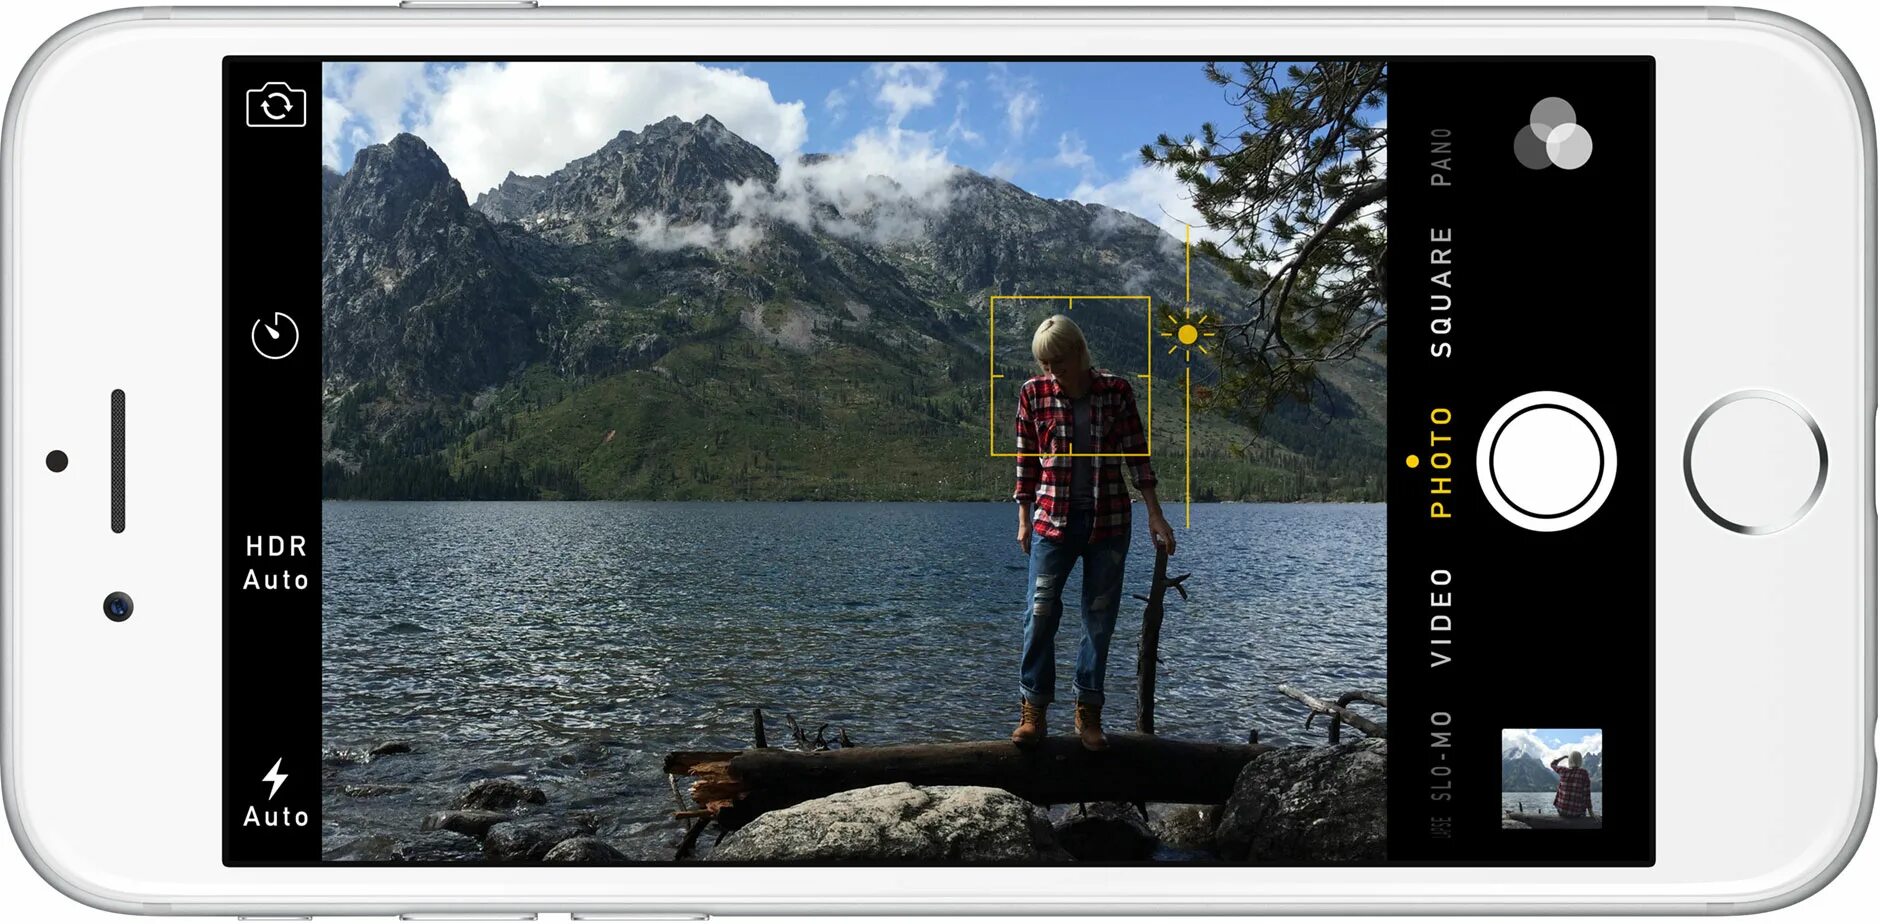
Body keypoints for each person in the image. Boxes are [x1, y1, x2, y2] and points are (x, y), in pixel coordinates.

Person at [1009, 314, 1175, 752]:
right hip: (1050, 523)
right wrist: (1024, 518)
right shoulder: (1033, 394)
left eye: (1059, 361)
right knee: (1039, 615)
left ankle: (1089, 712)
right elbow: (1026, 461)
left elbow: (1137, 457)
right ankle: (1034, 710)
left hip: (1110, 524)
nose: (1052, 371)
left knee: (1098, 622)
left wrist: (1156, 516)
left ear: (1080, 352)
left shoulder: (1116, 391)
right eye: (1045, 363)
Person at [1550, 751, 1595, 818]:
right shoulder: (1584, 773)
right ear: (1580, 761)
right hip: (1576, 813)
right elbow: (1587, 795)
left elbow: (1552, 764)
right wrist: (1591, 813)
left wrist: (1564, 757)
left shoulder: (1563, 770)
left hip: (1562, 811)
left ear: (1569, 760)